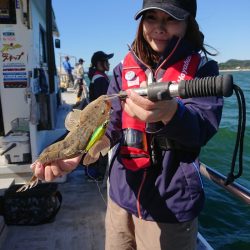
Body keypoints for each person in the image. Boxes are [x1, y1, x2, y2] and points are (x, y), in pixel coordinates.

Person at [32, 0, 223, 249]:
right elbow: (112, 123)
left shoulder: (203, 70)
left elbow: (202, 128)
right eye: (151, 18)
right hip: (121, 196)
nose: (159, 28)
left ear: (189, 22)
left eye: (171, 19)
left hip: (170, 208)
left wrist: (172, 113)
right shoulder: (124, 70)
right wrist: (79, 152)